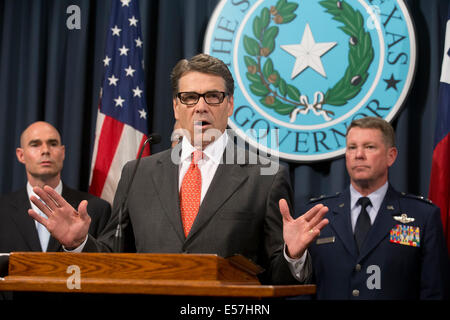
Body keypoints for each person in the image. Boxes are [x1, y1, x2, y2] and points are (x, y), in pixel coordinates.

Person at [27, 54, 329, 285]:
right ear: (176, 106)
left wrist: (294, 255)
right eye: (189, 97)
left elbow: (279, 277)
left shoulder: (265, 175)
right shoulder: (137, 173)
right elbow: (113, 260)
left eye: (213, 96)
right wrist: (79, 243)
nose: (201, 107)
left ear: (230, 104)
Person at [293, 117, 449, 299]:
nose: (359, 154)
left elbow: (435, 293)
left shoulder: (423, 216)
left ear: (391, 156)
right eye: (352, 147)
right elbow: (298, 290)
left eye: (369, 147)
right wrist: (292, 256)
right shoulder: (317, 214)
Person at [0, 121, 111, 253]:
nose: (46, 150)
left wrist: (78, 245)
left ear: (62, 152)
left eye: (53, 144)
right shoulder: (2, 209)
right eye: (35, 145)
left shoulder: (97, 209)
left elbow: (109, 266)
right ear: (21, 155)